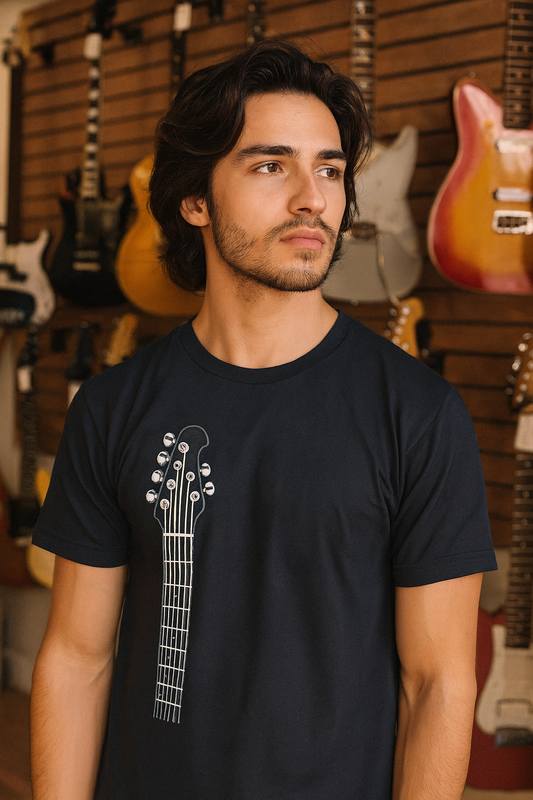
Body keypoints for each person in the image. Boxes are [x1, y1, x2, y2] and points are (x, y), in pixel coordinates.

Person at [30, 40, 496, 800]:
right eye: (270, 165)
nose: (312, 197)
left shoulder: (418, 413)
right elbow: (76, 659)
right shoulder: (113, 408)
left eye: (330, 169)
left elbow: (436, 683)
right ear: (195, 200)